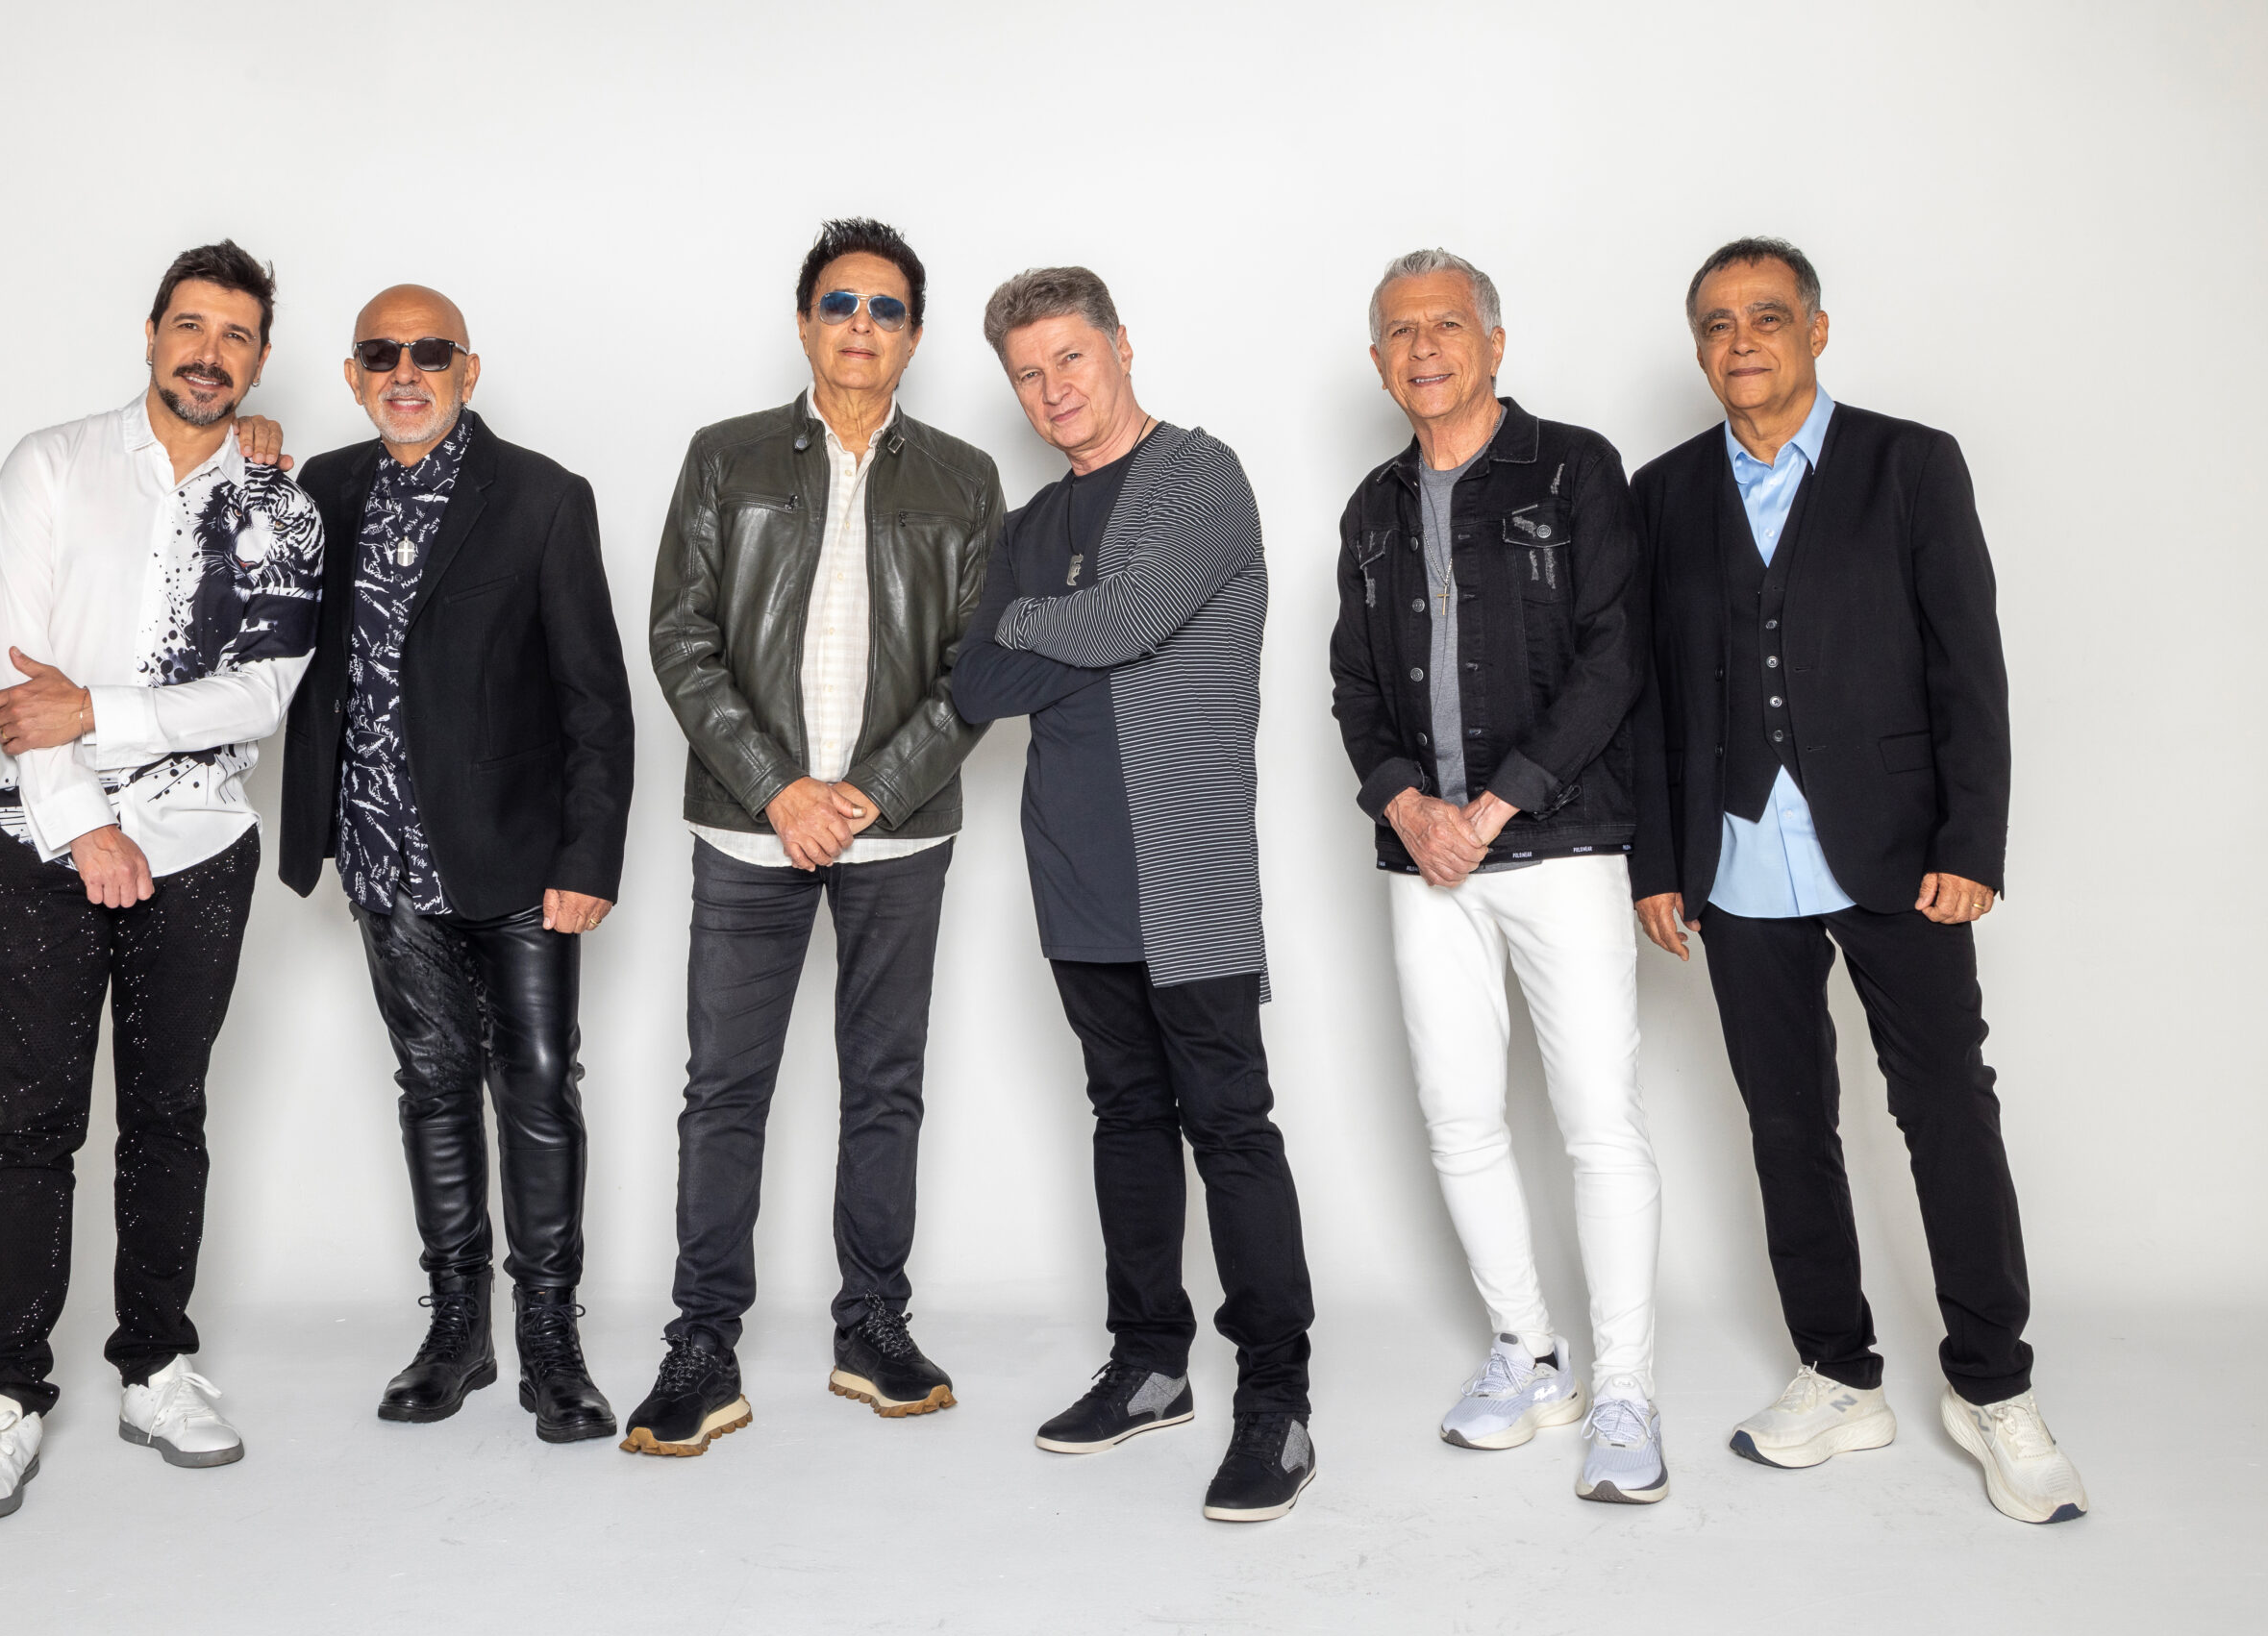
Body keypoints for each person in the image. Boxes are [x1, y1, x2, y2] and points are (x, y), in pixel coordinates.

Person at [1630, 236, 2087, 1524]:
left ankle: (1993, 1385)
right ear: (1700, 348)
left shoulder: (1910, 464)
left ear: (1816, 331)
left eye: (1767, 317)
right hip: (1734, 859)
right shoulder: (1662, 494)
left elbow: (1967, 665)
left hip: (1898, 852)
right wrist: (1659, 862)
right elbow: (1652, 695)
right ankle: (1837, 1372)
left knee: (1946, 1110)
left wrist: (1969, 845)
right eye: (1717, 324)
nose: (1741, 341)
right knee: (1786, 1126)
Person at [0, 240, 320, 1522]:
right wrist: (86, 826)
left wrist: (95, 710)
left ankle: (155, 1365)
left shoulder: (278, 507)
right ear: (151, 334)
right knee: (33, 1127)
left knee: (169, 1118)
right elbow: (11, 680)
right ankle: (7, 1392)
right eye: (191, 326)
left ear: (259, 359)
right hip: (41, 848)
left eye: (237, 334)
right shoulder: (49, 465)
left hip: (202, 851)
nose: (211, 353)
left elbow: (259, 695)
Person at [633, 219, 1003, 1455]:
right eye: (839, 303)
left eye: (886, 308)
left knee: (883, 1087)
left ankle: (873, 1327)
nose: (860, 325)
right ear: (803, 323)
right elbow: (680, 636)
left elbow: (978, 667)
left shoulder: (962, 479)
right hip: (750, 834)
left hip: (898, 838)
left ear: (913, 336)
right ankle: (701, 1344)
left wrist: (872, 792)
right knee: (723, 1093)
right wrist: (777, 790)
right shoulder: (725, 456)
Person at [954, 266, 1316, 1524]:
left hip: (1189, 871)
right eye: (1028, 373)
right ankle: (1151, 1363)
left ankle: (1276, 1400)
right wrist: (1075, 628)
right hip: (1075, 871)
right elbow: (976, 687)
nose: (1052, 388)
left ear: (1119, 347)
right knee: (1124, 1119)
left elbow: (1131, 618)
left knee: (1231, 1129)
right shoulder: (1028, 522)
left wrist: (1038, 626)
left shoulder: (1200, 476)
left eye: (1070, 358)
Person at [1329, 250, 1665, 1503]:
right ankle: (1529, 1353)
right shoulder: (1369, 506)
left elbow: (1614, 654)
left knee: (1598, 1122)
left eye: (1446, 326)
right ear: (1378, 361)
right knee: (1458, 1116)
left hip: (1561, 842)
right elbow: (1353, 687)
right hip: (1425, 862)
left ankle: (1624, 1390)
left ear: (1493, 343)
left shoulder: (1572, 469)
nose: (1424, 348)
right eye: (1399, 332)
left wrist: (1500, 799)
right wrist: (1408, 805)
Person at [278, 285, 635, 1442]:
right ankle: (457, 1332)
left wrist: (588, 857)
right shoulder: (322, 488)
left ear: (467, 371)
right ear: (352, 376)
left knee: (537, 1084)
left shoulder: (541, 497)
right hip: (379, 849)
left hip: (519, 857)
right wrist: (249, 462)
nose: (406, 371)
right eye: (381, 354)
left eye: (430, 353)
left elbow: (596, 700)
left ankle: (551, 1341)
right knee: (431, 1084)